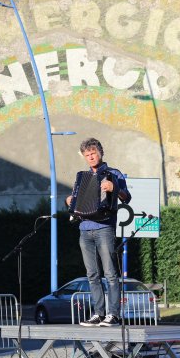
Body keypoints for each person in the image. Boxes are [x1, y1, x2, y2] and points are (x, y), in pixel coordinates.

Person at [65, 138, 131, 327]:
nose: (91, 157)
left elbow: (126, 197)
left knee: (110, 273)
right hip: (85, 229)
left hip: (104, 227)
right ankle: (99, 313)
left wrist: (114, 188)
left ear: (100, 152)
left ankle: (113, 314)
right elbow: (76, 202)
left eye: (93, 153)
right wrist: (69, 201)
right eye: (87, 155)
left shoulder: (113, 174)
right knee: (92, 274)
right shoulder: (82, 177)